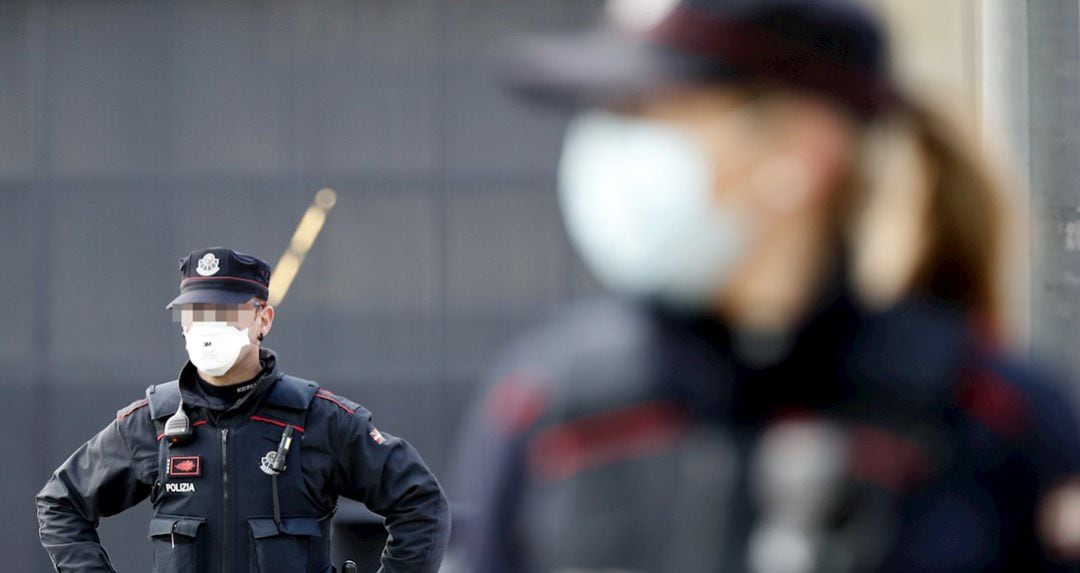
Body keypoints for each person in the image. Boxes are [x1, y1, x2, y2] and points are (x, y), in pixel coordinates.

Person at [455, 0, 1080, 571]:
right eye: (614, 113)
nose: (615, 146)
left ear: (802, 151)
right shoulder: (550, 410)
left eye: (651, 111)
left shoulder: (986, 420)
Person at [37, 247, 450, 573]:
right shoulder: (153, 423)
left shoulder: (319, 420)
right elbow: (60, 503)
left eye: (224, 312)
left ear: (263, 319)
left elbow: (421, 503)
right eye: (195, 313)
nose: (206, 326)